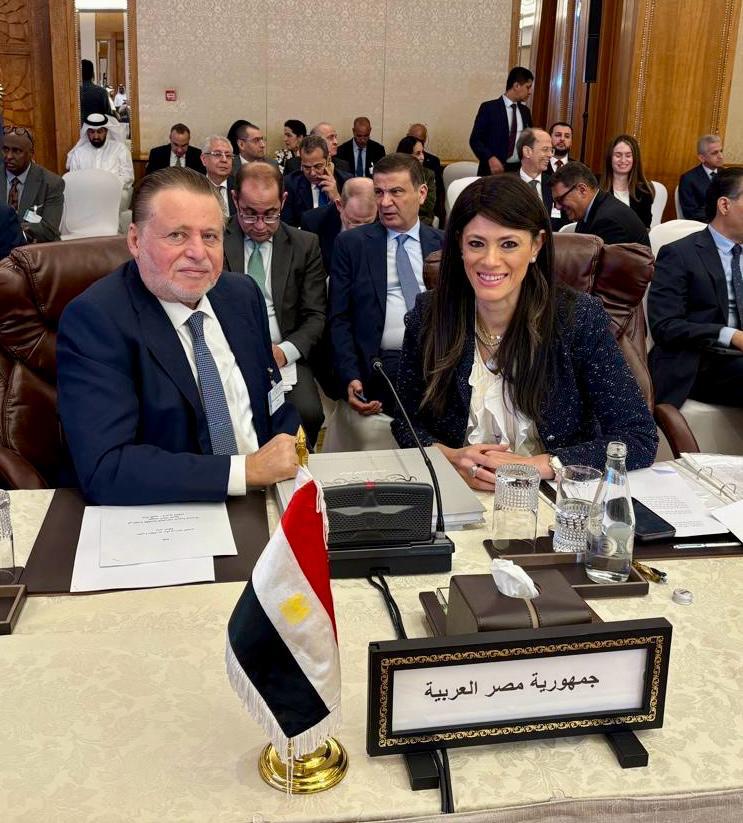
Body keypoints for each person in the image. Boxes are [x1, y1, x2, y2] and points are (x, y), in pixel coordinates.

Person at [391, 174, 657, 488]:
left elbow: (638, 438)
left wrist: (540, 465)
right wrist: (450, 458)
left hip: (555, 495)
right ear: (460, 245)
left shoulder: (577, 318)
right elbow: (406, 424)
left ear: (536, 246)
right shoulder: (429, 315)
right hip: (458, 490)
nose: (490, 261)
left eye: (509, 244)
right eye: (476, 243)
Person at [57, 167, 300, 505]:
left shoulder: (242, 295)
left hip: (268, 496)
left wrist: (289, 444)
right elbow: (107, 468)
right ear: (135, 240)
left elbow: (272, 399)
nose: (198, 253)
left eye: (210, 236)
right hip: (175, 511)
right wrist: (243, 472)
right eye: (177, 236)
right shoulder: (96, 320)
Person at [328, 152, 443, 414]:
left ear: (422, 193)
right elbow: (339, 318)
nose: (385, 202)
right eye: (379, 193)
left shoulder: (445, 244)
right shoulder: (352, 245)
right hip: (384, 361)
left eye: (396, 192)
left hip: (440, 358)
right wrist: (350, 375)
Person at [222, 161, 327, 446]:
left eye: (270, 214)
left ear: (283, 200)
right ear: (235, 199)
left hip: (284, 351)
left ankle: (297, 467)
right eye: (249, 214)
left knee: (308, 413)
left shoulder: (304, 245)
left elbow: (316, 316)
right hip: (228, 350)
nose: (259, 226)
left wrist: (282, 353)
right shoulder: (215, 240)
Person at [648, 167, 743, 408]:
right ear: (724, 205)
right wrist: (730, 335)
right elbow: (665, 326)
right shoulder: (679, 254)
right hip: (699, 361)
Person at [550, 161, 650, 246]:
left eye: (560, 199)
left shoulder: (608, 222)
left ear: (582, 190)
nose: (557, 207)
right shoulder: (589, 211)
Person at [301, 176, 377, 274]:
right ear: (339, 205)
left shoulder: (387, 221)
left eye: (367, 222)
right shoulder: (313, 223)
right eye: (355, 222)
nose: (360, 231)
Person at [2, 125, 65, 243]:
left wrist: (10, 231)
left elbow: (49, 230)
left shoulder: (52, 183)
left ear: (31, 153)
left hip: (35, 247)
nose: (9, 156)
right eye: (5, 149)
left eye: (17, 151)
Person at [469, 66, 534, 176]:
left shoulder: (525, 111)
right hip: (492, 172)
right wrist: (490, 158)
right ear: (516, 86)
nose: (530, 92)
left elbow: (530, 140)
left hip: (518, 172)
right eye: (528, 87)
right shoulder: (489, 108)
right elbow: (475, 140)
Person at [66, 113, 134, 210]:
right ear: (87, 132)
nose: (96, 136)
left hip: (113, 193)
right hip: (86, 195)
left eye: (99, 132)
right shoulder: (79, 153)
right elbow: (74, 179)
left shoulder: (120, 149)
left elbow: (128, 177)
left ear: (106, 131)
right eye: (92, 132)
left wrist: (106, 185)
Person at [281, 134, 351, 227]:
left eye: (318, 166)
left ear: (328, 160)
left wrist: (336, 198)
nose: (312, 173)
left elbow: (352, 223)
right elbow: (287, 226)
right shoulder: (290, 184)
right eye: (306, 167)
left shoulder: (346, 182)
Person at [600, 134, 655, 229]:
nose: (623, 160)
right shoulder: (595, 185)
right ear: (610, 158)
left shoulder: (644, 190)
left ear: (635, 159)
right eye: (618, 155)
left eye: (628, 155)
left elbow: (645, 227)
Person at [678, 135, 724, 221]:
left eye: (721, 151)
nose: (721, 156)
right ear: (702, 158)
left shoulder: (728, 174)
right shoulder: (688, 179)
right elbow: (691, 213)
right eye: (715, 153)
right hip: (704, 223)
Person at [515, 128, 555, 220]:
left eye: (551, 150)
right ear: (527, 151)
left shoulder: (554, 185)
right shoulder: (507, 185)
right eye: (545, 149)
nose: (550, 155)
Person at [396, 136, 436, 225]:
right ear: (406, 156)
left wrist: (404, 203)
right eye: (418, 153)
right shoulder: (394, 174)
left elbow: (428, 205)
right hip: (396, 217)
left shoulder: (428, 175)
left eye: (422, 153)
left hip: (422, 219)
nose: (422, 157)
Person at [407, 123, 444, 219]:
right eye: (412, 139)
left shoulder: (431, 166)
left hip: (423, 217)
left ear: (424, 140)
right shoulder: (396, 165)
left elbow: (433, 200)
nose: (422, 157)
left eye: (420, 140)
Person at [284, 122, 350, 175]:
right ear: (315, 141)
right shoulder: (294, 165)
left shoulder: (343, 166)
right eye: (330, 138)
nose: (336, 142)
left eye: (335, 137)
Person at [200, 135, 236, 218]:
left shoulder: (240, 187)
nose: (224, 160)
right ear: (204, 159)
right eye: (217, 154)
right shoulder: (194, 188)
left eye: (228, 155)